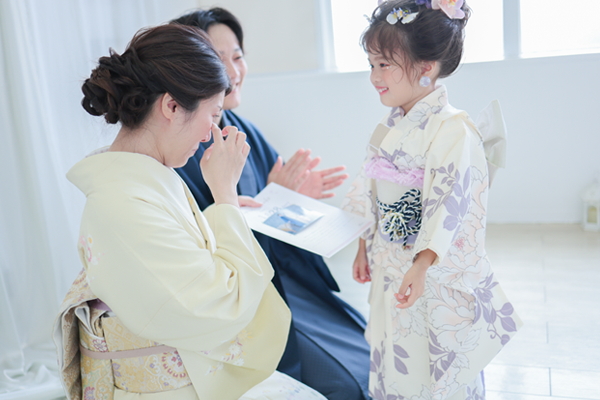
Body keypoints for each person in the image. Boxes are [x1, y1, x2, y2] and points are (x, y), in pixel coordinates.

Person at [53, 24, 326, 400]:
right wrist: (225, 196)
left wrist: (227, 212)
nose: (211, 132)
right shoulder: (122, 202)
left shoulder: (147, 176)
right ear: (171, 106)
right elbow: (219, 307)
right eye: (213, 115)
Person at [170, 9, 371, 400]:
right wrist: (270, 201)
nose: (233, 71)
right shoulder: (185, 149)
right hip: (253, 300)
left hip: (286, 280)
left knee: (377, 353)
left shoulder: (243, 129)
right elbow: (203, 248)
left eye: (238, 56)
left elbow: (275, 217)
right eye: (218, 59)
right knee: (349, 385)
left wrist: (293, 199)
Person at [342, 1, 523, 399]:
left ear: (425, 67)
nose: (374, 77)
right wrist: (362, 244)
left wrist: (424, 262)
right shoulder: (389, 126)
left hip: (431, 274)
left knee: (434, 368)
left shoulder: (454, 129)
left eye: (384, 64)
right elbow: (369, 185)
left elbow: (453, 203)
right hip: (392, 266)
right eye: (371, 64)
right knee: (395, 358)